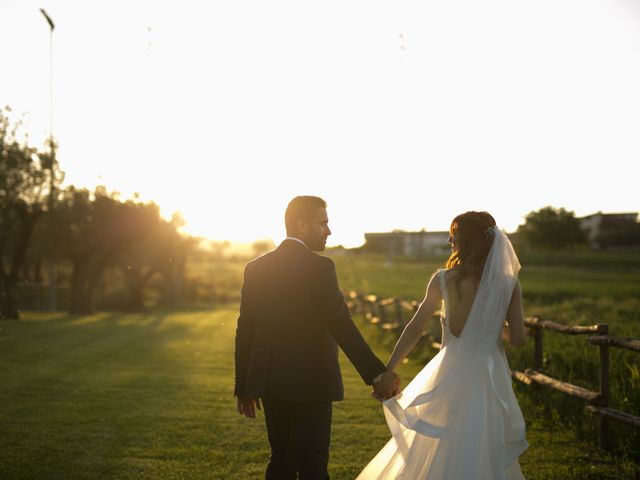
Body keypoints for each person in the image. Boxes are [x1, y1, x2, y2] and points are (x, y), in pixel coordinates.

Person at [234, 195, 399, 480]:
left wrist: (244, 385)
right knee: (313, 463)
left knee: (281, 460)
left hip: (272, 381)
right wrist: (376, 373)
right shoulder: (320, 267)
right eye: (323, 223)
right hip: (314, 382)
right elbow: (340, 323)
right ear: (302, 225)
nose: (329, 231)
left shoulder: (256, 268)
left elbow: (245, 328)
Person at [358, 211, 529, 480]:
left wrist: (388, 368)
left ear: (465, 240)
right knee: (480, 443)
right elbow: (518, 340)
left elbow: (415, 327)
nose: (451, 240)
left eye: (455, 234)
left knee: (443, 441)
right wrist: (495, 325)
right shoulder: (508, 285)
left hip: (449, 370)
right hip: (487, 376)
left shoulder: (443, 280)